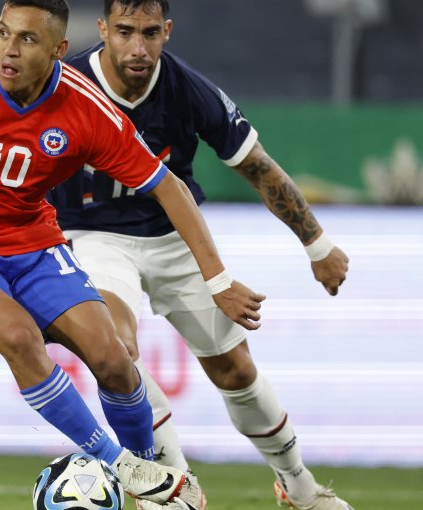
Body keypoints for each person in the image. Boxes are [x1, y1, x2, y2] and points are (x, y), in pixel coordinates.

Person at [0, 1, 265, 507]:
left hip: (31, 245)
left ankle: (146, 487)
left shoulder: (85, 108)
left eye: (27, 39)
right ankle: (122, 465)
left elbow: (170, 188)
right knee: (16, 335)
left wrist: (218, 281)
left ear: (58, 49)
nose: (8, 49)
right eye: (4, 33)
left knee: (115, 357)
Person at [44, 1, 352, 509]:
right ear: (103, 30)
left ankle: (298, 486)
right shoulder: (66, 84)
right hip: (89, 234)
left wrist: (317, 245)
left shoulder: (187, 90)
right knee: (117, 351)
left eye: (149, 33)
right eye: (124, 32)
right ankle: (175, 486)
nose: (137, 48)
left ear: (167, 31)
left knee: (235, 370)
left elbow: (257, 167)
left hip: (172, 234)